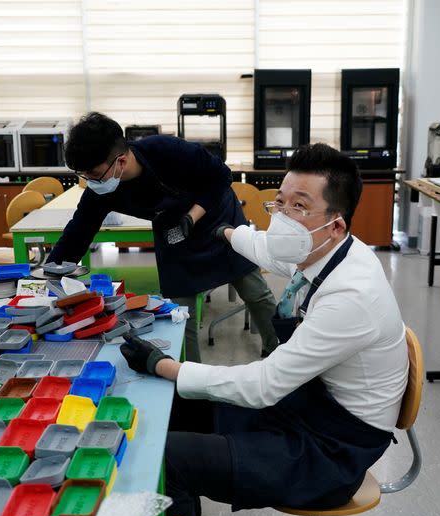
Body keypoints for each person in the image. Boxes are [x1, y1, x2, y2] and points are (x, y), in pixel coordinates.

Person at [120, 143, 410, 516]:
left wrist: (169, 367)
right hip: (309, 405)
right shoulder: (329, 248)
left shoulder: (352, 296)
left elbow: (263, 385)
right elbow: (267, 249)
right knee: (175, 409)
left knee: (165, 458)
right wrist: (223, 230)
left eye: (300, 207)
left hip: (332, 450)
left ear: (336, 223)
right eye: (280, 203)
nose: (284, 218)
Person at [47, 112, 279, 362]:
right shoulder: (101, 190)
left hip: (217, 219)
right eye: (83, 175)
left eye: (93, 173)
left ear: (120, 161)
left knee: (255, 292)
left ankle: (280, 350)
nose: (90, 181)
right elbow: (78, 232)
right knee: (180, 312)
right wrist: (48, 275)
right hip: (174, 233)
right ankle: (190, 379)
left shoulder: (166, 150)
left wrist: (192, 216)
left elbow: (221, 176)